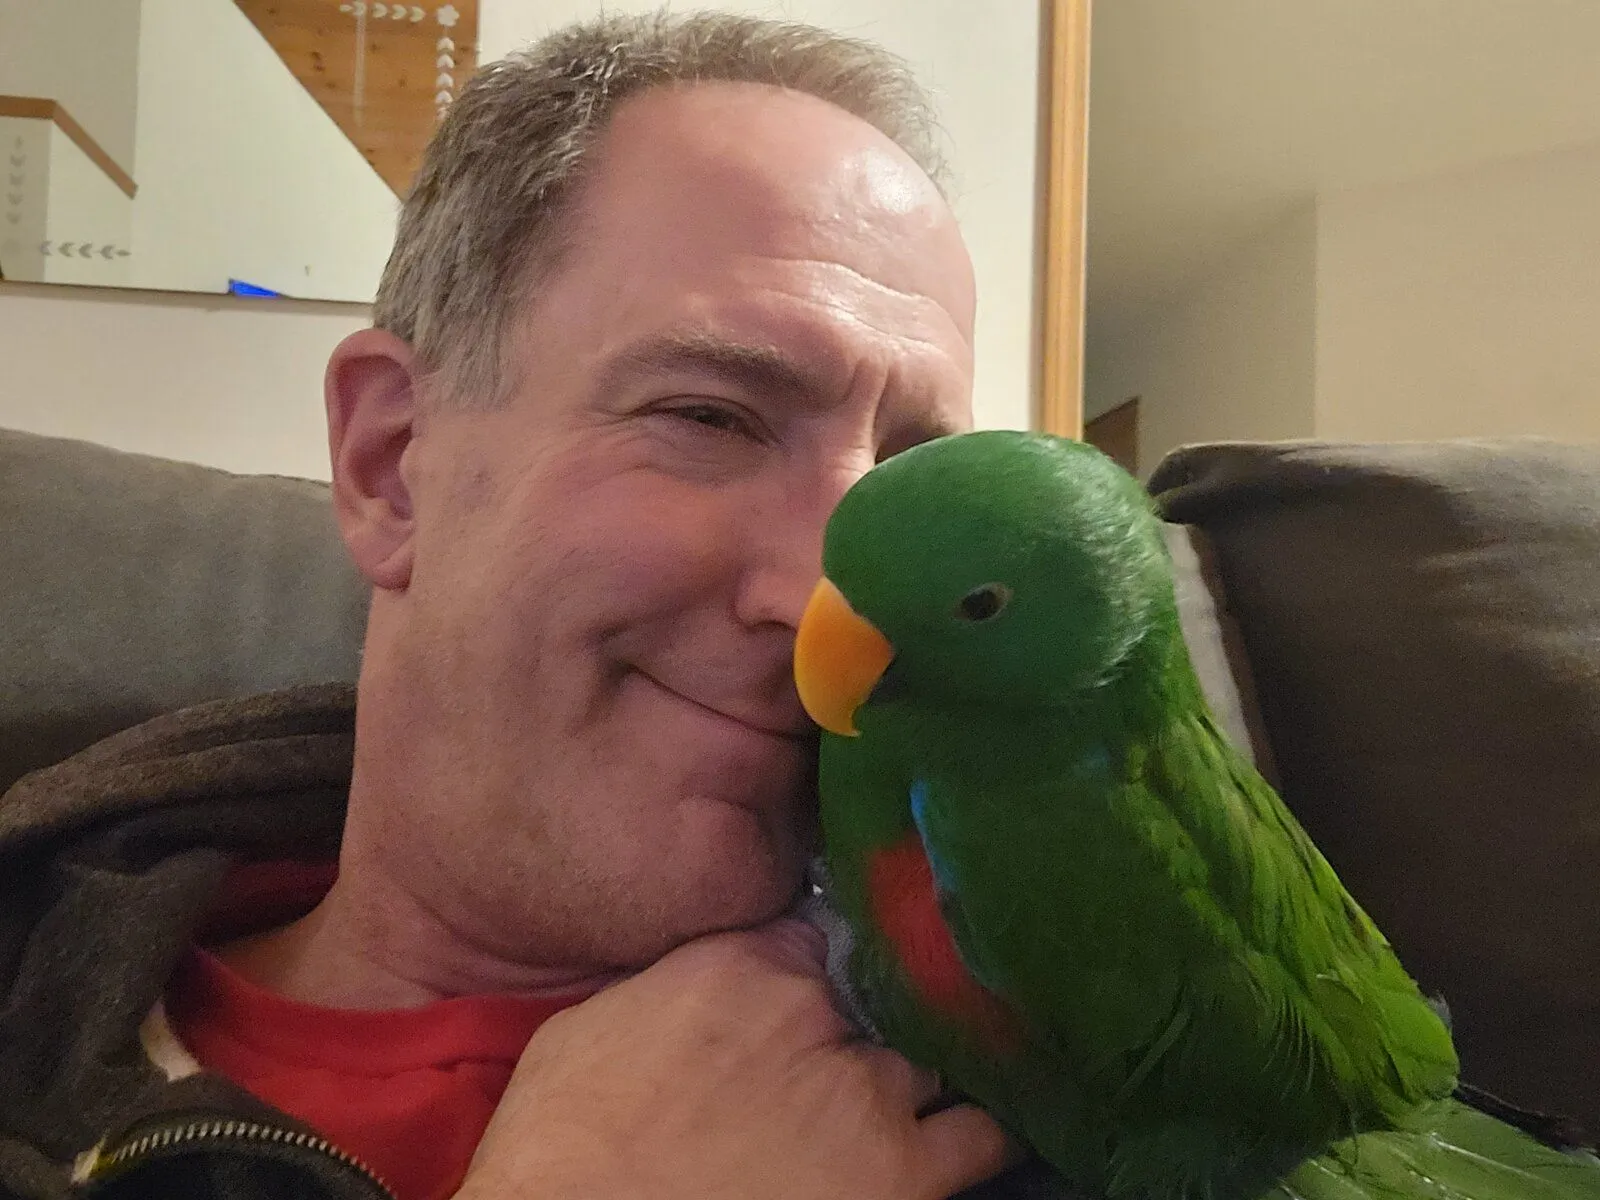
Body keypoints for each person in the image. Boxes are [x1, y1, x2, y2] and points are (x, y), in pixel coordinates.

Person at [0, 11, 1023, 1200]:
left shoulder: (1042, 1083)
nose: (830, 607)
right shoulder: (37, 1002)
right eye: (709, 417)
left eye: (907, 488)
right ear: (392, 464)